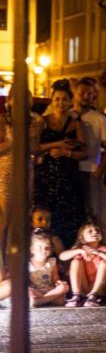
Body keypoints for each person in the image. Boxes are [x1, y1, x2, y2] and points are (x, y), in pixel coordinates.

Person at [33, 81, 87, 250]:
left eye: (64, 99)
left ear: (70, 101)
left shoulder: (76, 123)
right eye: (57, 99)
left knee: (68, 215)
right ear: (52, 101)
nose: (60, 103)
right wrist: (57, 145)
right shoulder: (43, 121)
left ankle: (66, 253)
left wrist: (67, 153)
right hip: (46, 173)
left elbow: (84, 152)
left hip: (67, 173)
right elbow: (36, 148)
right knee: (46, 213)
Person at [0, 92, 42, 257]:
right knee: (3, 220)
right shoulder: (2, 120)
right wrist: (17, 138)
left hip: (26, 170)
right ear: (9, 101)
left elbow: (34, 148)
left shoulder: (36, 120)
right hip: (5, 172)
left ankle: (14, 261)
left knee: (20, 219)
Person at [74, 78, 106, 230]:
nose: (85, 96)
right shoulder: (69, 115)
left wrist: (100, 170)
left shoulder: (99, 118)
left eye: (89, 93)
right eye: (82, 92)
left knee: (93, 212)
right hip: (72, 169)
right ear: (75, 93)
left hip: (91, 170)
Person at [0, 232, 69, 307]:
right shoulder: (27, 263)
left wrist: (59, 282)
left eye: (47, 247)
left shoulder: (51, 262)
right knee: (29, 293)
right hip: (35, 290)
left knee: (63, 290)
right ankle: (41, 301)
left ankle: (40, 301)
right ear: (32, 250)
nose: (44, 250)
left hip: (49, 290)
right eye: (40, 248)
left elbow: (55, 278)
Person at [60, 221, 106, 307]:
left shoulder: (103, 249)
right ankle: (76, 295)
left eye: (97, 230)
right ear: (82, 239)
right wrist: (79, 251)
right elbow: (62, 256)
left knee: (104, 263)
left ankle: (94, 295)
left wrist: (98, 253)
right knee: (75, 262)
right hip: (84, 286)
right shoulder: (79, 249)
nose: (95, 232)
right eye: (90, 231)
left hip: (101, 288)